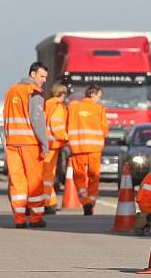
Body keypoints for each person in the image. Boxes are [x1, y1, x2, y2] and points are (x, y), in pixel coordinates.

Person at [4, 62, 49, 228]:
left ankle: (19, 219)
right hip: (30, 143)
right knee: (35, 182)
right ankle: (36, 218)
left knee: (17, 182)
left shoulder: (11, 91)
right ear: (32, 75)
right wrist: (45, 144)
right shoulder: (33, 92)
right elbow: (38, 120)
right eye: (41, 76)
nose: (43, 80)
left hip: (12, 143)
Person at [67, 84, 109, 216]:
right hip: (95, 149)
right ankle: (91, 200)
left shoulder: (73, 108)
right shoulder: (99, 109)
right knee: (94, 176)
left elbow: (66, 125)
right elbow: (105, 130)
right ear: (92, 95)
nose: (99, 100)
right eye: (98, 96)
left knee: (79, 176)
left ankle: (85, 201)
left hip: (78, 148)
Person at [42, 82, 68, 214]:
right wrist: (66, 136)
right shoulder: (58, 107)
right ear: (61, 94)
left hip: (45, 144)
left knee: (46, 175)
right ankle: (48, 203)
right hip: (53, 145)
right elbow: (57, 125)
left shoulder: (47, 104)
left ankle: (50, 202)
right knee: (48, 176)